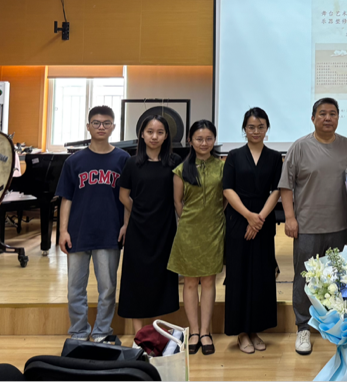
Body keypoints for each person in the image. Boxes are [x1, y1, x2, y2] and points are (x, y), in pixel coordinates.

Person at [279, 98, 347, 356]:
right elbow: (286, 186)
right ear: (313, 118)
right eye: (322, 113)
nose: (328, 118)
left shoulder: (346, 146)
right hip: (307, 226)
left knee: (335, 277)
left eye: (333, 113)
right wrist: (290, 218)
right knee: (304, 277)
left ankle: (331, 323)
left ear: (338, 118)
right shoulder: (300, 147)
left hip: (338, 225)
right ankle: (303, 327)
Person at [56, 106, 130, 342]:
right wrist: (63, 231)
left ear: (113, 127)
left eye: (106, 123)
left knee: (107, 288)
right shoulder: (74, 161)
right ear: (88, 126)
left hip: (109, 232)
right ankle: (79, 331)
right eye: (96, 123)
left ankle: (101, 331)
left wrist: (126, 224)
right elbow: (66, 198)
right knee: (75, 288)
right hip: (78, 233)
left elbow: (128, 197)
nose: (101, 127)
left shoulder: (123, 159)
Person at [223, 108, 282, 354]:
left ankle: (255, 329)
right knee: (238, 275)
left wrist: (260, 219)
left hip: (264, 221)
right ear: (244, 129)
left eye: (260, 127)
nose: (256, 131)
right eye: (251, 127)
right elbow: (227, 189)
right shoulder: (234, 156)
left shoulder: (275, 157)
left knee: (261, 275)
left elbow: (277, 190)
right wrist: (249, 216)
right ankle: (241, 332)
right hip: (239, 219)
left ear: (267, 129)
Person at [117, 115, 182, 335]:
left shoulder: (174, 162)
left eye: (160, 132)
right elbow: (123, 196)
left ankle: (156, 331)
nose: (155, 136)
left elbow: (178, 198)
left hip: (165, 229)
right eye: (150, 132)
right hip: (138, 230)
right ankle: (139, 334)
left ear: (166, 136)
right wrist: (138, 212)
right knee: (136, 278)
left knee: (161, 278)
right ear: (142, 135)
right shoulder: (132, 162)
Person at [167, 120, 225, 356]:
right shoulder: (181, 170)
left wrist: (212, 219)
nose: (204, 143)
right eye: (199, 139)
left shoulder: (222, 167)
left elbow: (225, 199)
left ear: (214, 140)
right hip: (189, 233)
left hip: (214, 231)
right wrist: (192, 222)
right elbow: (177, 202)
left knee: (209, 281)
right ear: (190, 140)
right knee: (190, 283)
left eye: (209, 138)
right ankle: (193, 332)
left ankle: (206, 332)